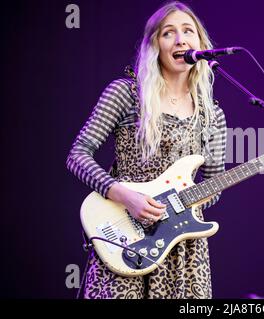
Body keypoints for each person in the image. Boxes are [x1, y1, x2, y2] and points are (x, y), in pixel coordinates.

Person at [66, 1, 227, 299]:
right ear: (154, 45)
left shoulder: (212, 114)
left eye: (188, 31)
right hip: (126, 237)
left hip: (181, 249)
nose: (180, 39)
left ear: (200, 44)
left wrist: (185, 200)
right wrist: (125, 195)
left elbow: (213, 188)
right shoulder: (125, 94)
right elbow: (78, 155)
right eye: (169, 33)